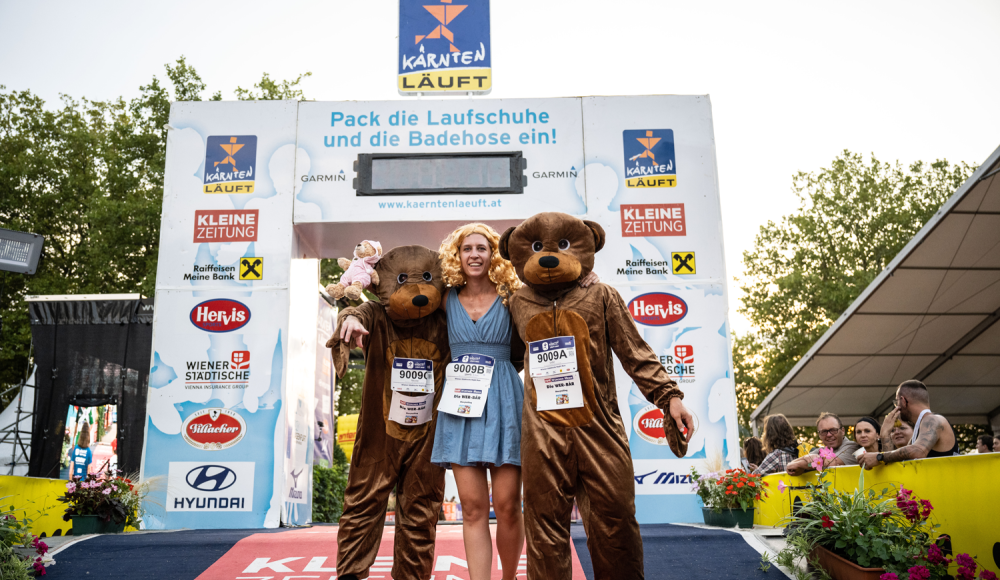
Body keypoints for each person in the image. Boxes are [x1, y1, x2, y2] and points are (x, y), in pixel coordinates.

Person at [338, 224, 597, 580]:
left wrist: (583, 276)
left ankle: (508, 577)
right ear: (456, 256)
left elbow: (554, 295)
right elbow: (393, 302)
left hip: (505, 400)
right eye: (467, 248)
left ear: (494, 254)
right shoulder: (444, 298)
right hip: (459, 407)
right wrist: (352, 310)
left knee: (507, 507)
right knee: (473, 510)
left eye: (482, 248)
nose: (474, 254)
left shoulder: (514, 295)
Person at [861, 380, 959, 469]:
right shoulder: (919, 431)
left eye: (897, 402)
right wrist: (885, 434)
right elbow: (891, 464)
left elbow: (918, 452)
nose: (897, 407)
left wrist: (879, 457)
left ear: (903, 401)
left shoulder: (932, 419)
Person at [785, 413, 860, 476]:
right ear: (819, 435)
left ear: (842, 431)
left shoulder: (853, 447)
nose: (829, 434)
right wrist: (808, 458)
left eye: (833, 430)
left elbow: (830, 463)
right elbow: (792, 467)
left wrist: (804, 463)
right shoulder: (821, 451)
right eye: (824, 431)